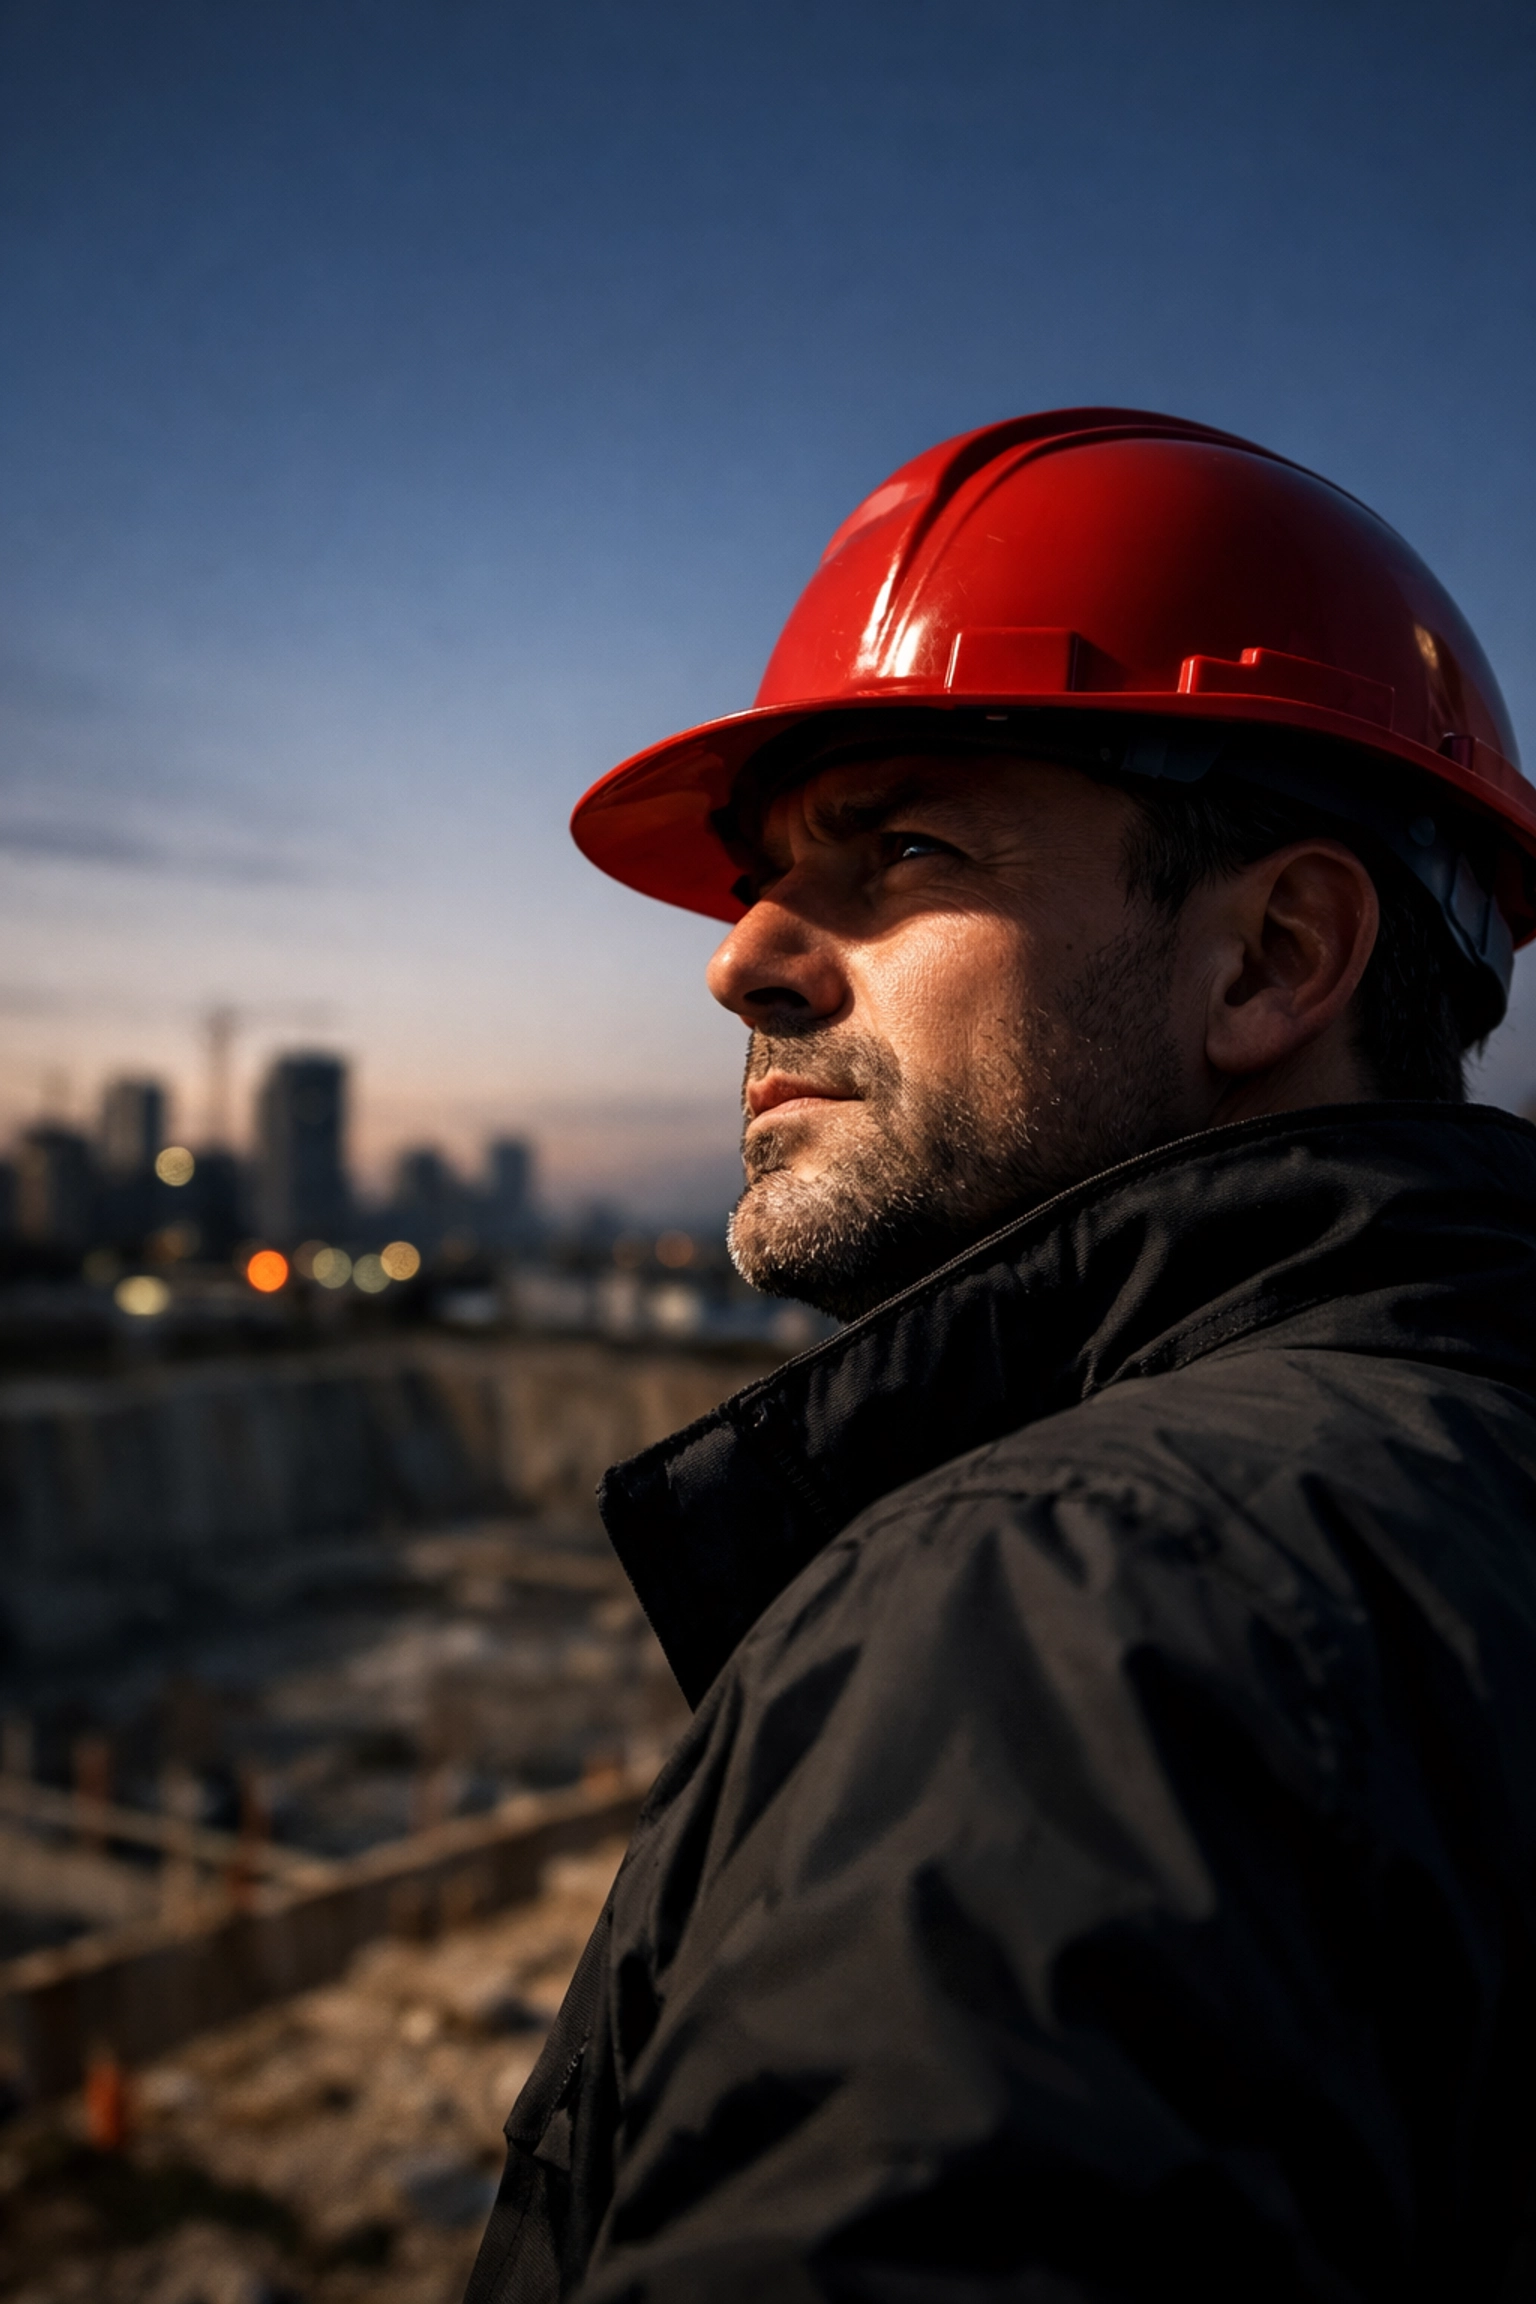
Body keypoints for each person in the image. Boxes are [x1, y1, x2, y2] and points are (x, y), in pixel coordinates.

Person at [466, 410, 1536, 2302]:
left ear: (1274, 956)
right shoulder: (1450, 1494)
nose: (746, 957)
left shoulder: (1071, 1602)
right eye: (762, 874)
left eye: (904, 845)